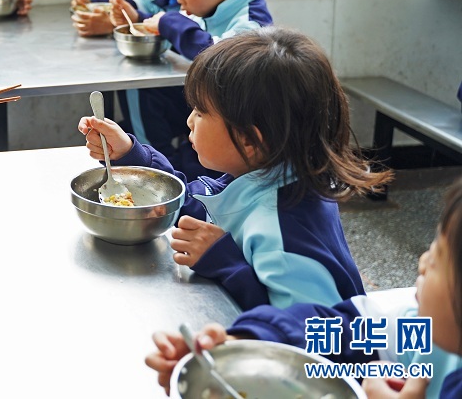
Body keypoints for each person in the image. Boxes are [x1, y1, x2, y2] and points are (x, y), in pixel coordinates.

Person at [78, 27, 390, 311]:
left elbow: (314, 337)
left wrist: (225, 262)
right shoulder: (267, 175)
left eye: (200, 112)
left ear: (250, 139)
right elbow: (193, 206)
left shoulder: (281, 232)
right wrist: (130, 154)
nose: (189, 121)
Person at [145, 179, 462, 399]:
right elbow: (335, 329)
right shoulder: (419, 328)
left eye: (437, 259)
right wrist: (244, 342)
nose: (421, 263)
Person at [112, 0, 273, 179]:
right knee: (137, 90)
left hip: (234, 119)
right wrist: (142, 19)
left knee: (143, 95)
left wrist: (168, 22)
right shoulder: (212, 3)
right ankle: (155, 165)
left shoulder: (251, 19)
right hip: (205, 105)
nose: (180, 1)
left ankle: (161, 174)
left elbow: (218, 58)